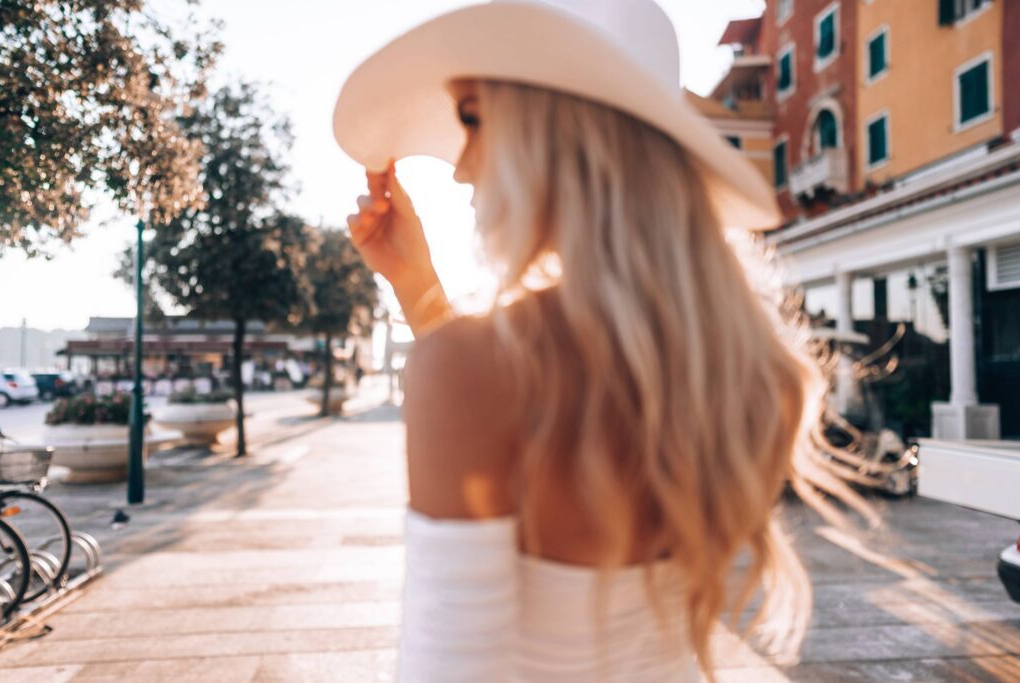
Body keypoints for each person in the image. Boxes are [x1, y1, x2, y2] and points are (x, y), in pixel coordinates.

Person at [334, 1, 865, 680]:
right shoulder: (751, 373)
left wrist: (432, 320)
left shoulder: (470, 368)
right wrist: (421, 291)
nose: (461, 168)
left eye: (473, 119)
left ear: (558, 129)